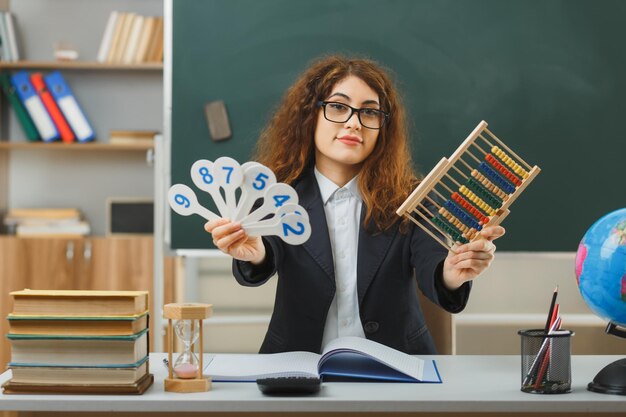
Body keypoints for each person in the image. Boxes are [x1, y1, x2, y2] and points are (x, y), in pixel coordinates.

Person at [205, 55, 505, 355]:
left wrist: (453, 273)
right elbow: (265, 253)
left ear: (382, 128)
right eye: (338, 106)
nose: (354, 123)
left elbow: (435, 268)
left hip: (397, 369)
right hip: (298, 366)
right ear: (311, 115)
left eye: (370, 113)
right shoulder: (278, 194)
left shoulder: (413, 198)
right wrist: (255, 254)